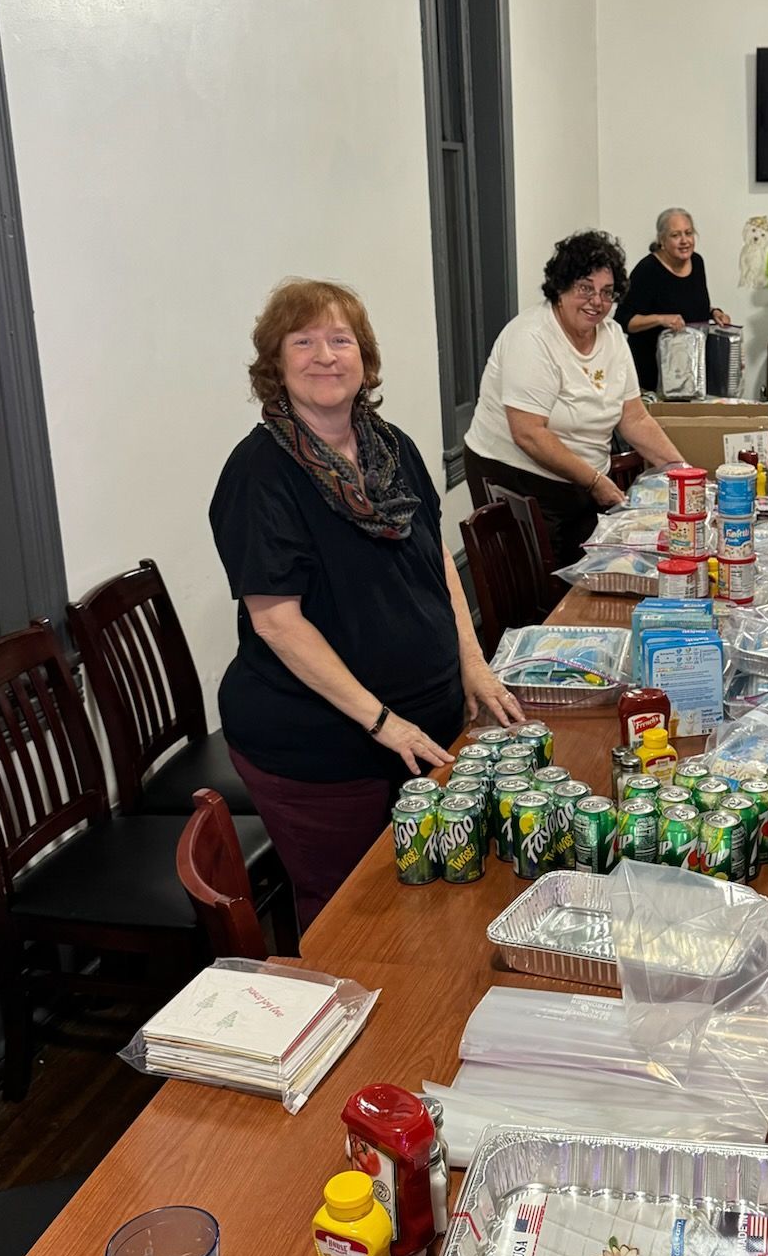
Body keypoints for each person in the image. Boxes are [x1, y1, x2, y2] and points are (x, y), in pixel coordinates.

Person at [210, 278, 522, 931]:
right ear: (275, 362)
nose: (325, 356)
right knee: (355, 913)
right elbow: (278, 622)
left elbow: (434, 563)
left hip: (423, 726)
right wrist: (383, 722)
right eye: (304, 341)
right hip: (322, 746)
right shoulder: (258, 473)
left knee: (435, 893)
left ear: (365, 359)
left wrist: (472, 664)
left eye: (340, 340)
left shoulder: (392, 449)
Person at [464, 230, 686, 567]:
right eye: (585, 288)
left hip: (582, 481)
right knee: (551, 587)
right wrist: (595, 481)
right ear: (561, 287)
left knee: (594, 569)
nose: (596, 302)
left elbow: (635, 418)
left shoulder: (612, 338)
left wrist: (681, 471)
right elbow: (529, 433)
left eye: (606, 293)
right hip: (519, 480)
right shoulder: (533, 338)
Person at [615, 208, 731, 393]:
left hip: (691, 377)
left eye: (688, 233)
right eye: (676, 235)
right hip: (652, 378)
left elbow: (689, 303)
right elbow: (623, 320)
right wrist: (661, 319)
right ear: (662, 240)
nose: (684, 240)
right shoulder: (647, 270)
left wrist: (714, 312)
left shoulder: (697, 262)